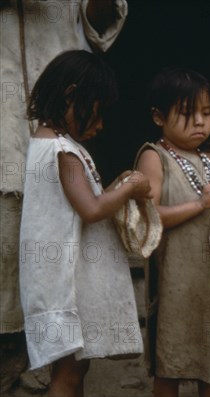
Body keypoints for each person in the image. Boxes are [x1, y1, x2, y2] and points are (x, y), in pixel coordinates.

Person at [19, 50, 148, 397]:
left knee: (76, 368)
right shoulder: (64, 151)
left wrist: (116, 190)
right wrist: (131, 186)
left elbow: (80, 204)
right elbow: (91, 209)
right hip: (64, 287)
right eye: (98, 111)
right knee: (68, 375)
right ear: (71, 95)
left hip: (56, 281)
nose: (101, 124)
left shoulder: (50, 144)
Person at [1, 0, 128, 336]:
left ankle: (42, 352)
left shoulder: (66, 146)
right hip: (6, 111)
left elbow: (98, 25)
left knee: (58, 242)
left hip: (61, 100)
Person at [135, 67, 210, 397]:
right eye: (188, 113)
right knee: (170, 360)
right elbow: (150, 216)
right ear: (158, 117)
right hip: (174, 282)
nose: (200, 121)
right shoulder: (154, 157)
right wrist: (200, 204)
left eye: (207, 113)